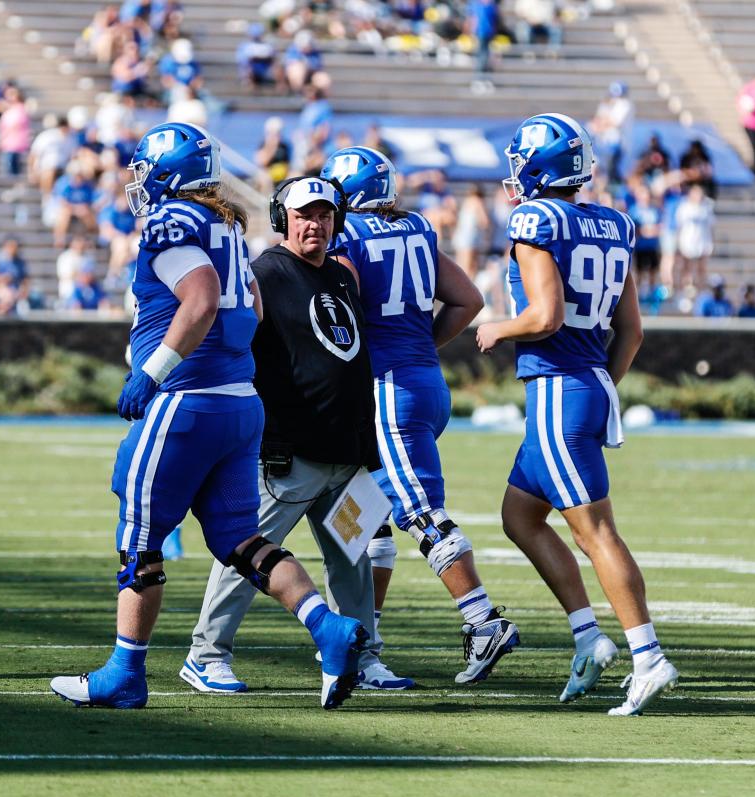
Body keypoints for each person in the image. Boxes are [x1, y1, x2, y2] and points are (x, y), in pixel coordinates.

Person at [51, 122, 369, 711]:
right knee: (238, 538)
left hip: (186, 404)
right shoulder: (223, 224)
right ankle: (327, 626)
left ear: (170, 173)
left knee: (140, 540)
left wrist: (155, 368)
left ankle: (125, 673)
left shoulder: (174, 220)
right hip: (238, 404)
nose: (141, 181)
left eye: (149, 169)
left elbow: (200, 300)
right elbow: (246, 306)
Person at [474, 113, 679, 716]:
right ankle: (590, 636)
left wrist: (497, 329)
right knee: (520, 515)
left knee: (594, 532)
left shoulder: (535, 220)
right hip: (581, 385)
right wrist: (599, 386)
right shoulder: (614, 223)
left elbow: (545, 316)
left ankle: (648, 654)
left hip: (560, 390)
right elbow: (632, 331)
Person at [182, 175, 396, 699]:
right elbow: (234, 348)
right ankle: (206, 654)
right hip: (290, 450)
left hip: (344, 451)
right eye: (304, 215)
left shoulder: (341, 277)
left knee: (354, 559)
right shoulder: (265, 274)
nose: (315, 225)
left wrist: (366, 449)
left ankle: (362, 658)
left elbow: (349, 358)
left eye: (324, 215)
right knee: (248, 552)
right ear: (282, 219)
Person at [321, 146, 519, 686]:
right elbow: (468, 299)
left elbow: (343, 313)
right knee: (363, 518)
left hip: (385, 390)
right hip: (422, 381)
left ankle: (482, 620)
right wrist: (420, 345)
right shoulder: (415, 228)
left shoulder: (349, 239)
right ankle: (365, 646)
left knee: (420, 512)